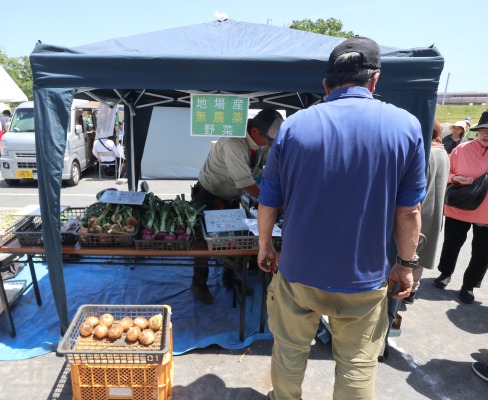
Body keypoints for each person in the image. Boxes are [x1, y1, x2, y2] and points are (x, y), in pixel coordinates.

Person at [257, 36, 426, 399]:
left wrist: (265, 245)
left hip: (299, 271)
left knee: (289, 352)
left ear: (326, 84)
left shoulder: (294, 126)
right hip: (364, 276)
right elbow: (409, 211)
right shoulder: (406, 126)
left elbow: (269, 200)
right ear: (375, 80)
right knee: (357, 364)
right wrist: (406, 263)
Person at [191, 108, 284, 305]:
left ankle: (230, 278)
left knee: (235, 240)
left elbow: (275, 164)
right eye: (268, 141)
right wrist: (274, 203)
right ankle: (199, 284)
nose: (269, 145)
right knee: (203, 243)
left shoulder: (262, 142)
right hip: (208, 193)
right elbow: (247, 184)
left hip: (232, 195)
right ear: (255, 131)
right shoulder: (234, 141)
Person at [433, 110, 488, 304]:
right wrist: (455, 178)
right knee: (451, 244)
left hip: (486, 214)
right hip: (459, 208)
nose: (486, 134)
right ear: (477, 131)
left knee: (482, 253)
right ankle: (445, 273)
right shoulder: (461, 149)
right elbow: (445, 173)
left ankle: (469, 286)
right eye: (483, 130)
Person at [403, 118, 450, 304]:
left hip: (419, 209)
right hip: (435, 211)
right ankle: (413, 289)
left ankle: (406, 289)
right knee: (422, 252)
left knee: (409, 249)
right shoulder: (443, 152)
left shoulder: (425, 153)